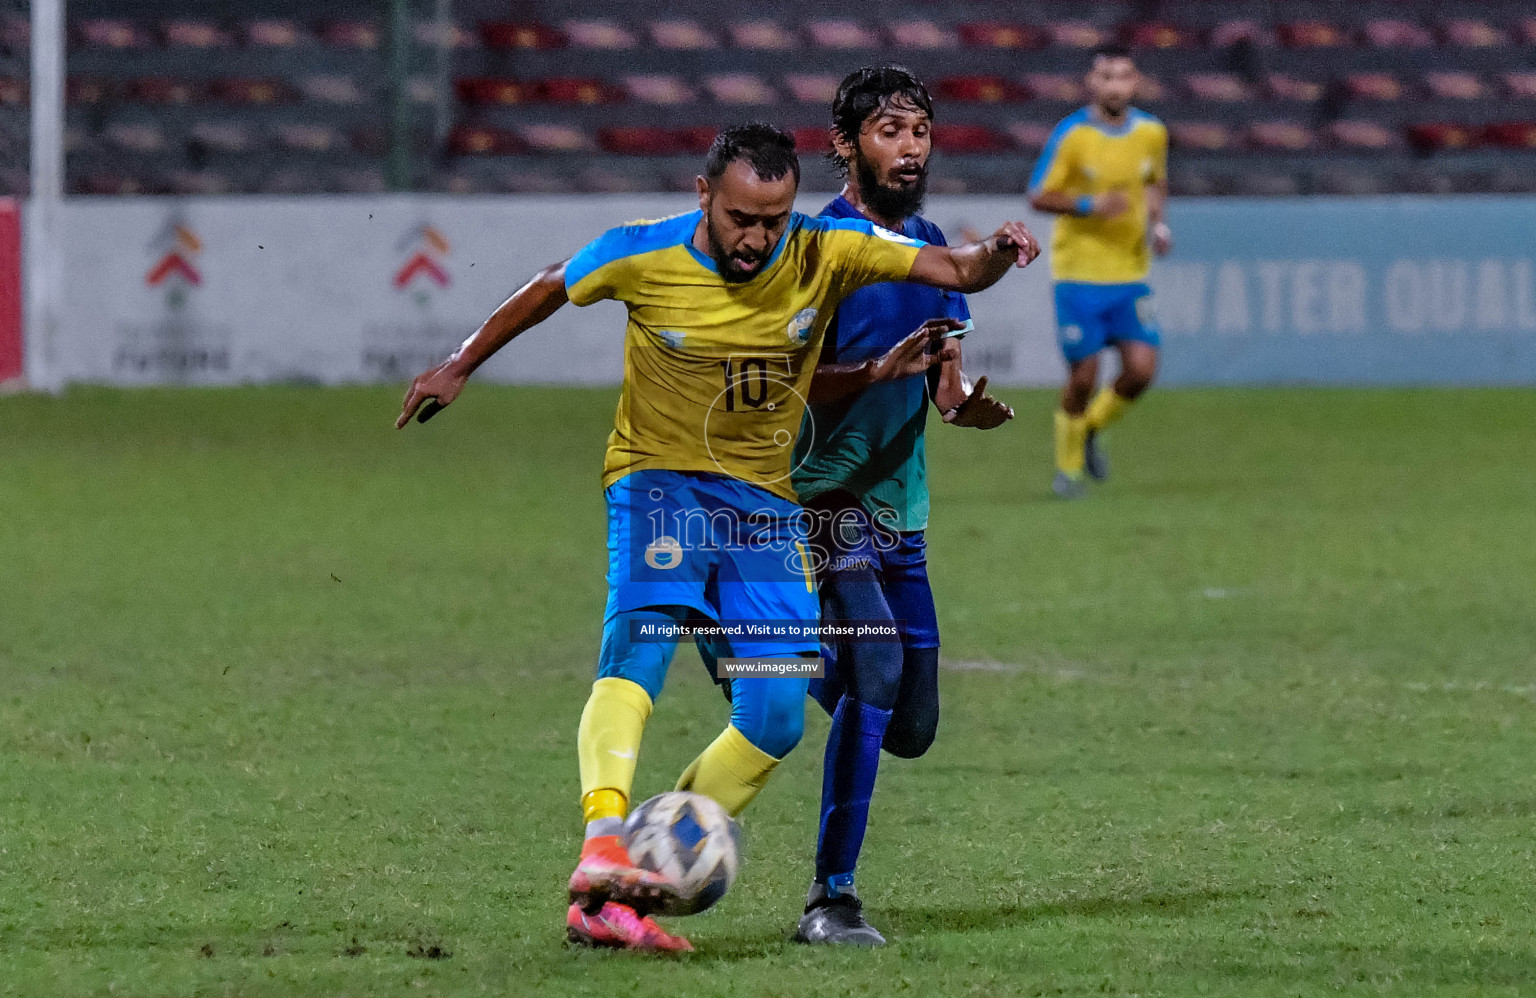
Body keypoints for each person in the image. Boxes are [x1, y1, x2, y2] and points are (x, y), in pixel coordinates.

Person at [396, 123, 1041, 952]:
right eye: (742, 218)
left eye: (773, 219)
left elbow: (956, 269)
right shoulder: (642, 254)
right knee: (640, 652)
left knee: (775, 714)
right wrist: (459, 362)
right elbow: (552, 285)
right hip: (659, 482)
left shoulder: (825, 248)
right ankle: (602, 846)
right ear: (704, 196)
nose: (757, 238)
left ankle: (633, 880)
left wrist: (999, 249)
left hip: (763, 508)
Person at [783, 65, 1017, 947]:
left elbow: (944, 376)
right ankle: (829, 899)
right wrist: (875, 373)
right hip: (821, 495)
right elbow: (784, 387)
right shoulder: (814, 252)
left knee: (911, 725)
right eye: (889, 130)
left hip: (901, 510)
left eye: (919, 130)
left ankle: (770, 652)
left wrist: (961, 405)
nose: (910, 146)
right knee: (875, 673)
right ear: (845, 144)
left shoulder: (932, 248)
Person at [1028, 43, 1171, 499]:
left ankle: (1089, 429)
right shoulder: (1072, 135)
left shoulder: (1152, 133)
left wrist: (1159, 223)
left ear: (1135, 82)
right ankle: (1067, 472)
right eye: (1105, 76)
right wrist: (1090, 205)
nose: (1114, 85)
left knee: (1142, 371)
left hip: (1130, 274)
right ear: (1092, 83)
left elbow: (1155, 181)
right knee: (1084, 377)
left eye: (1123, 76)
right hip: (1078, 276)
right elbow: (1038, 195)